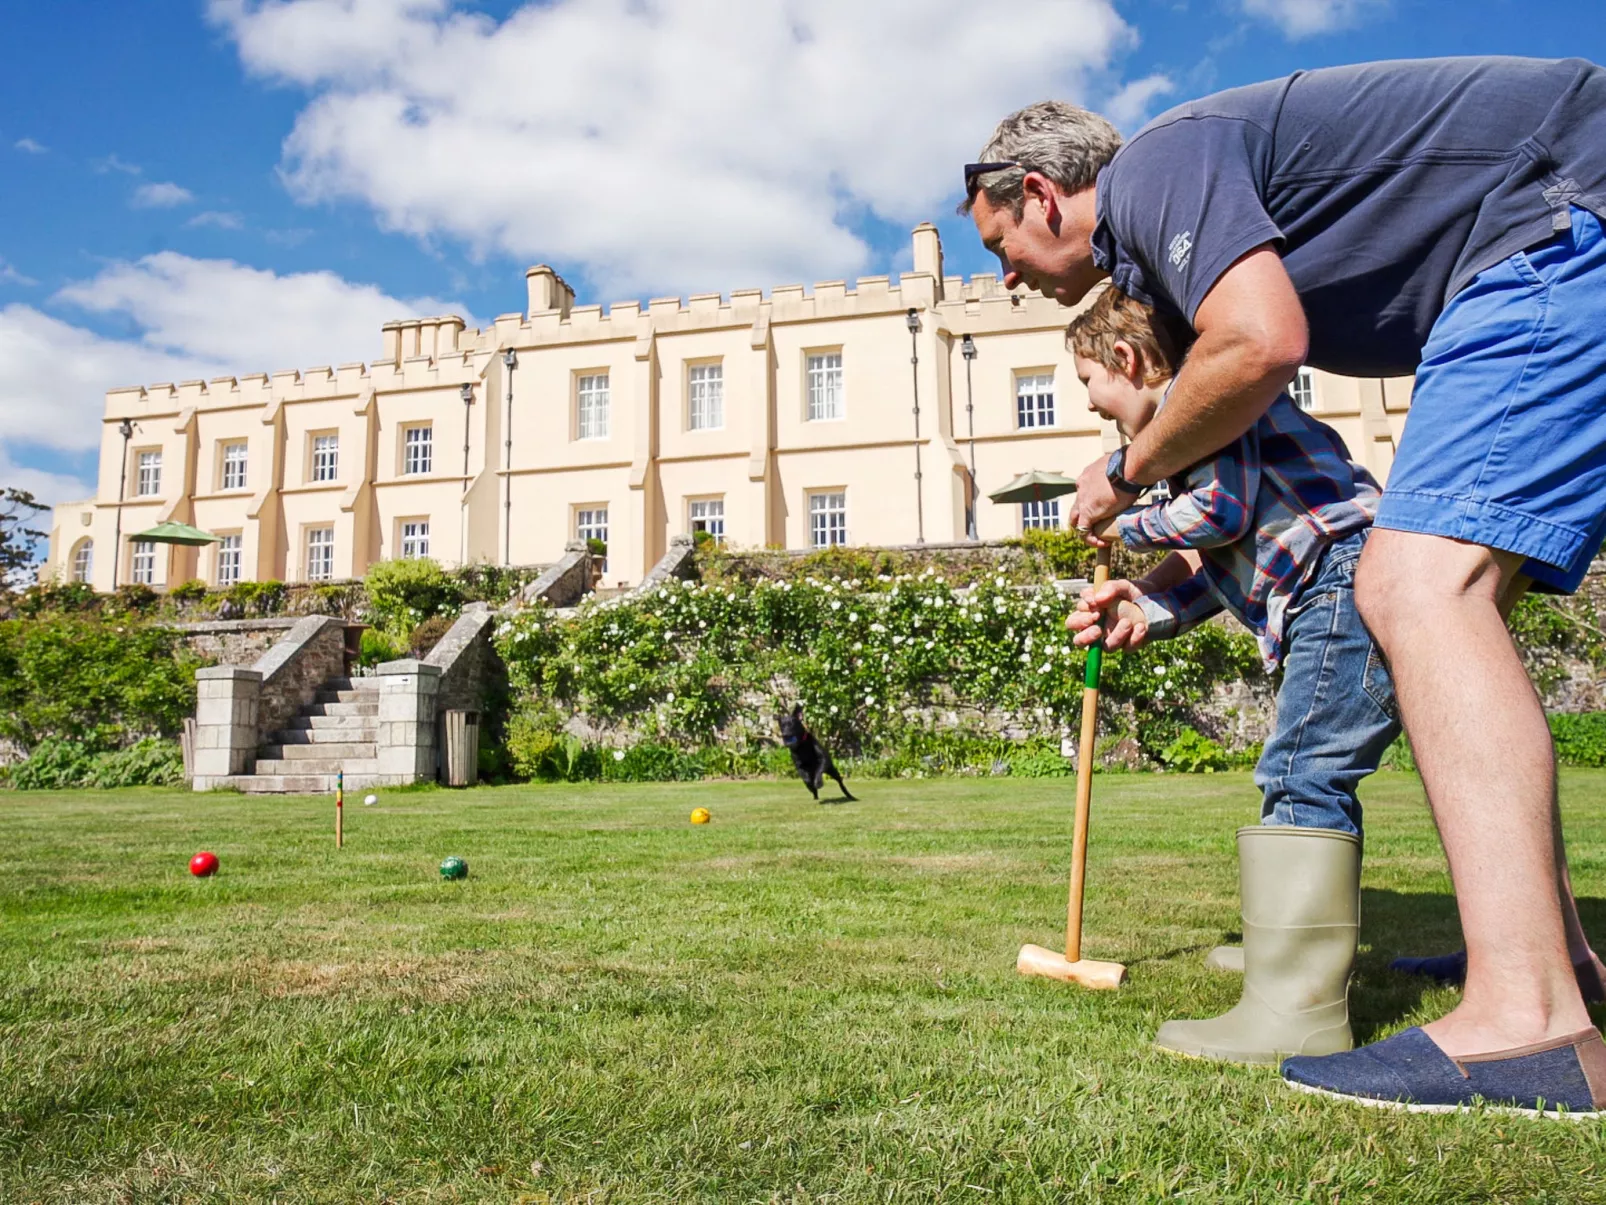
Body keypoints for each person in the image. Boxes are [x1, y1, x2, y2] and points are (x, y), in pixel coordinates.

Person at [962, 57, 1606, 1115]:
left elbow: (1261, 344)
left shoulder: (1155, 167)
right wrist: (1152, 594)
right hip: (1543, 229)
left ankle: (1515, 1020)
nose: (1006, 279)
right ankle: (1554, 959)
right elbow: (1232, 524)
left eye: (1002, 248)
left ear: (1040, 193)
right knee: (1448, 608)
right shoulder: (1174, 269)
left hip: (1556, 223)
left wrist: (1127, 474)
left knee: (1415, 589)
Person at [1064, 286, 1397, 1065]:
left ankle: (1298, 1007)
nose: (1089, 405)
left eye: (1087, 382)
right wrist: (1146, 608)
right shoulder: (1191, 435)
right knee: (1297, 772)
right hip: (1327, 586)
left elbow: (1220, 514)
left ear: (1126, 359)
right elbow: (1219, 561)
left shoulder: (1205, 398)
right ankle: (1285, 951)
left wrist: (1123, 515)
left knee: (1302, 772)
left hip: (1341, 581)